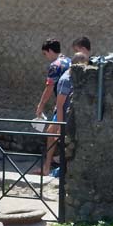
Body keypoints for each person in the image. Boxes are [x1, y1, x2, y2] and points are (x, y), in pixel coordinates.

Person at [44, 52, 90, 177]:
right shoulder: (66, 80)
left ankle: (54, 167)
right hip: (64, 117)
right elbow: (59, 105)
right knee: (54, 137)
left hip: (71, 117)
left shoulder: (77, 76)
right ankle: (50, 168)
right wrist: (60, 125)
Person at [33, 39, 70, 175]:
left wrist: (41, 105)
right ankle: (55, 163)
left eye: (45, 54)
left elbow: (49, 88)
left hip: (62, 105)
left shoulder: (55, 65)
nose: (46, 57)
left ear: (49, 51)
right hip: (70, 104)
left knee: (52, 133)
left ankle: (48, 168)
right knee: (55, 133)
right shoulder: (69, 61)